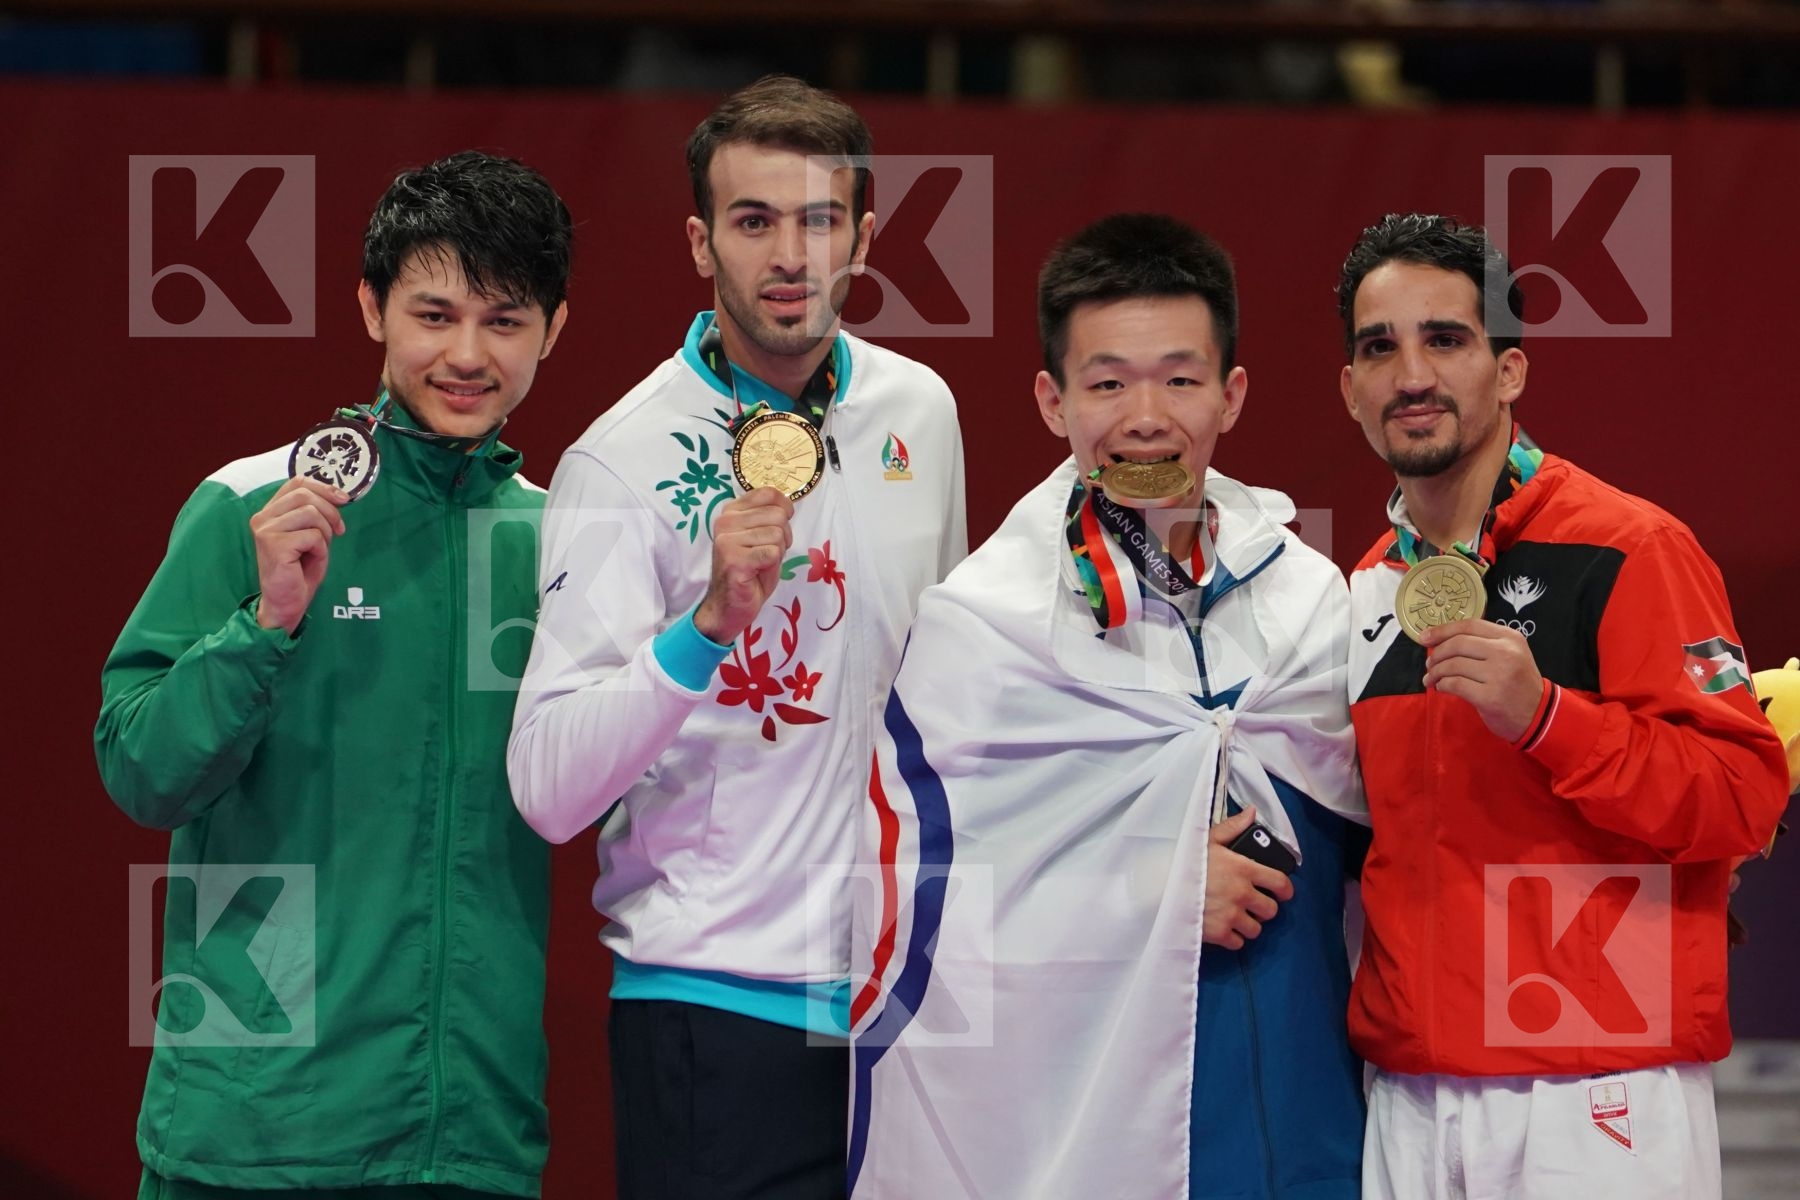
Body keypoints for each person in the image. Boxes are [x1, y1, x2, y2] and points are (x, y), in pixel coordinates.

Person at [506, 75, 966, 1200]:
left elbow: (952, 703)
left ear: (864, 235)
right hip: (714, 1003)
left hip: (901, 995)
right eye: (755, 222)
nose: (791, 256)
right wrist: (704, 628)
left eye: (818, 220)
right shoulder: (619, 460)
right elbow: (548, 788)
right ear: (701, 242)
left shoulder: (921, 412)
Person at [847, 213, 1368, 1199]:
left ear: (1232, 393)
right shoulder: (984, 626)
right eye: (1107, 382)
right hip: (1094, 1132)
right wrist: (1154, 896)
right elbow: (910, 920)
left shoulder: (1312, 600)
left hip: (1305, 1123)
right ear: (1053, 400)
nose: (1145, 416)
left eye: (1180, 378)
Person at [97, 151, 572, 1199]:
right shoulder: (248, 506)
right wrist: (263, 623)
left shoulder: (559, 541)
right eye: (433, 314)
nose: (466, 353)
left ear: (554, 330)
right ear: (371, 309)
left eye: (504, 321)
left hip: (469, 1133)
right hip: (256, 1127)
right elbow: (141, 771)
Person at [1335, 212, 1790, 1200]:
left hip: (1596, 1097)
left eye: (1446, 340)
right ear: (1351, 390)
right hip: (1411, 1101)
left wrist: (1547, 716)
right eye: (1382, 348)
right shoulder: (1368, 589)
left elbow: (1741, 795)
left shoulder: (1629, 548)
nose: (1412, 374)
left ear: (1509, 372)